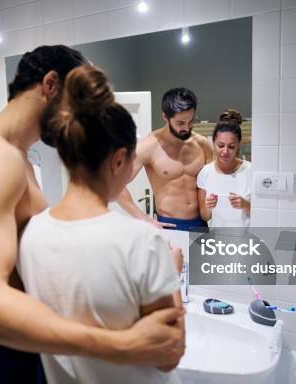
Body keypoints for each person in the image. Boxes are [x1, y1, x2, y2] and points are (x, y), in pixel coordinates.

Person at [0, 45, 184, 384]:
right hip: (1, 353)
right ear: (50, 84)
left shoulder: (19, 160)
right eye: (79, 100)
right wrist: (121, 344)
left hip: (36, 345)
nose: (83, 118)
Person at [18, 65, 182, 384]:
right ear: (119, 159)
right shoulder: (142, 241)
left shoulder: (32, 233)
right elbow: (168, 355)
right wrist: (172, 274)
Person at [117, 87, 213, 231]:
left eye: (191, 121)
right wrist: (143, 218)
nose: (187, 128)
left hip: (201, 224)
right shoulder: (148, 147)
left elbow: (216, 182)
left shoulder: (202, 144)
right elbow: (115, 185)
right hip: (169, 225)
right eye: (180, 123)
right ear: (165, 117)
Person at [197, 109, 252, 227]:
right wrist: (209, 206)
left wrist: (245, 205)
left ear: (239, 144)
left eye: (231, 147)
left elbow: (267, 213)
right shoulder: (205, 173)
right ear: (213, 142)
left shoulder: (251, 171)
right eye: (220, 146)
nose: (225, 151)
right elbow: (205, 216)